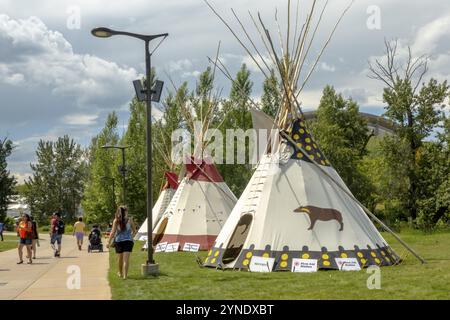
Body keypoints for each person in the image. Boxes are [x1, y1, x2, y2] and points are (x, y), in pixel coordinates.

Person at [107, 206, 136, 280]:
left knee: (120, 258)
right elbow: (134, 231)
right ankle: (125, 276)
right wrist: (131, 236)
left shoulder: (116, 220)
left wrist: (108, 241)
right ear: (126, 212)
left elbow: (113, 232)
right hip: (128, 241)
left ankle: (120, 273)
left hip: (119, 241)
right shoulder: (130, 220)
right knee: (126, 260)